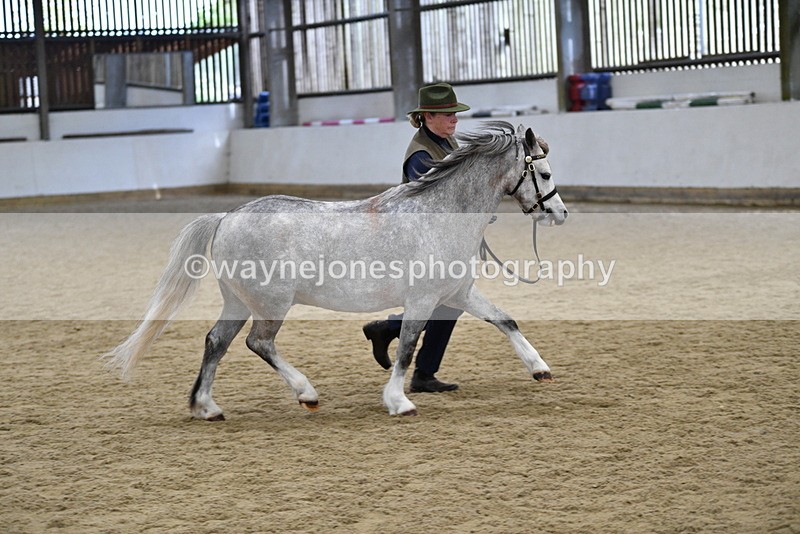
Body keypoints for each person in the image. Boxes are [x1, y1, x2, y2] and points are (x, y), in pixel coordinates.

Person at [363, 82, 470, 393]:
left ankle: (419, 366)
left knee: (449, 303)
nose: (455, 119)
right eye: (448, 114)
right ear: (428, 116)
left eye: (455, 113)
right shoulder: (421, 156)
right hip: (414, 246)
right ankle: (396, 337)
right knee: (443, 302)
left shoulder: (449, 143)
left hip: (436, 243)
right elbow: (436, 204)